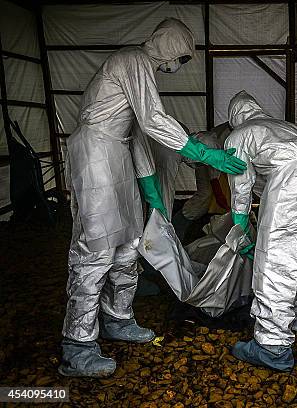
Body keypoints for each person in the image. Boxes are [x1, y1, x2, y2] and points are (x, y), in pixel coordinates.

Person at [59, 18, 246, 378]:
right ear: (165, 43)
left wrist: (151, 195)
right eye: (178, 55)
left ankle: (118, 317)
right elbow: (152, 119)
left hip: (117, 154)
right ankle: (76, 344)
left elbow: (138, 138)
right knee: (96, 248)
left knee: (130, 243)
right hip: (96, 152)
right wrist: (204, 153)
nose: (174, 65)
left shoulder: (139, 72)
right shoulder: (134, 59)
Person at [225, 91, 297, 371]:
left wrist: (240, 226)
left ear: (233, 118)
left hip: (294, 187)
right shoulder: (285, 126)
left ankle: (272, 345)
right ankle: (288, 318)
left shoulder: (239, 134)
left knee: (277, 265)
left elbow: (242, 185)